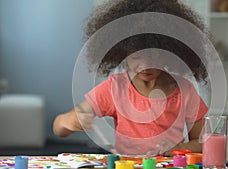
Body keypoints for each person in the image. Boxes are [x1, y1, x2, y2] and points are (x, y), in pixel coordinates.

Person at [53, 0, 210, 156]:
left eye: (154, 57)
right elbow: (58, 127)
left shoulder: (185, 91)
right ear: (123, 53)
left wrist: (179, 147)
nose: (145, 65)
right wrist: (69, 122)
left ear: (171, 54)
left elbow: (204, 143)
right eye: (136, 57)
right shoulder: (115, 88)